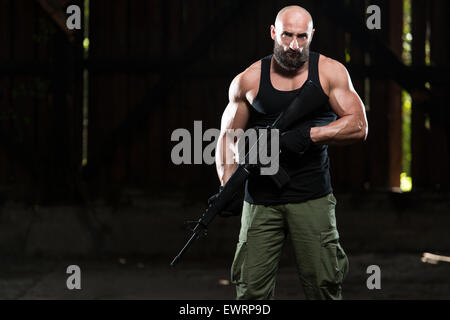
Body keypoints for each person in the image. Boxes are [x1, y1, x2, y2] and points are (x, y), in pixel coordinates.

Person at [213, 5, 368, 300]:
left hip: (312, 197)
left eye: (301, 37)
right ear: (273, 32)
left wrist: (308, 136)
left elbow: (359, 126)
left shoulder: (330, 72)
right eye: (286, 35)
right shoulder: (248, 80)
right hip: (260, 200)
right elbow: (228, 138)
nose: (294, 45)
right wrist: (227, 185)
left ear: (311, 35)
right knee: (250, 292)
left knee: (323, 287)